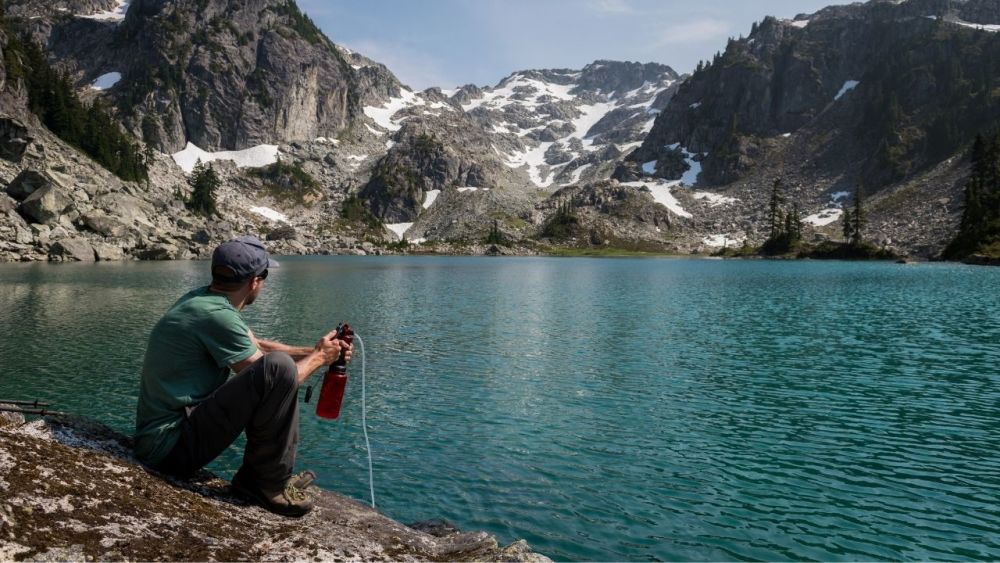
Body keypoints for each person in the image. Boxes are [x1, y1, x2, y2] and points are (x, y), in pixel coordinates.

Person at [134, 235, 350, 517]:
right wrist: (320, 359)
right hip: (167, 449)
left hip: (161, 438)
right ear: (255, 282)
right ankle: (265, 483)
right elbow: (276, 378)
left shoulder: (203, 301)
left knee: (277, 364)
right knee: (279, 369)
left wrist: (317, 350)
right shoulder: (218, 316)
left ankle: (258, 477)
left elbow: (256, 346)